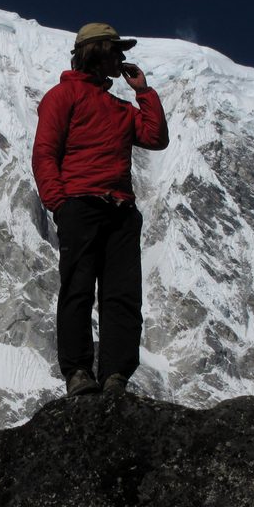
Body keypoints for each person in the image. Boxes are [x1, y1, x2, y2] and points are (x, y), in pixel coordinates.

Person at [31, 23, 169, 396]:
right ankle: (77, 372)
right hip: (80, 205)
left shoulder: (120, 107)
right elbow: (45, 152)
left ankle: (115, 376)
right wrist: (59, 204)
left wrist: (143, 91)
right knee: (78, 289)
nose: (120, 58)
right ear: (95, 51)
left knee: (122, 295)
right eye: (114, 50)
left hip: (121, 209)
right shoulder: (63, 96)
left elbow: (156, 137)